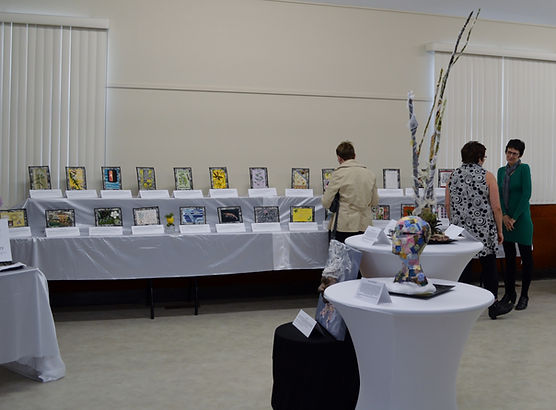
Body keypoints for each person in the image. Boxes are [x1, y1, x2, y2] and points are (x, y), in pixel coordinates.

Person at [445, 141, 513, 319]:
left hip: (460, 231)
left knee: (464, 267)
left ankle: (463, 306)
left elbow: (447, 204)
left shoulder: (452, 176)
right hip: (484, 230)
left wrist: (454, 224)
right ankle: (493, 305)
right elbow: (496, 207)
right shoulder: (487, 176)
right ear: (479, 158)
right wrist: (499, 230)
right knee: (489, 266)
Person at [497, 139, 533, 311]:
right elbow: (499, 194)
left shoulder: (524, 169)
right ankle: (509, 293)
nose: (511, 156)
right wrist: (504, 216)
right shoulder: (501, 171)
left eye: (515, 154)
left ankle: (524, 295)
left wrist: (514, 218)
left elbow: (526, 194)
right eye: (509, 152)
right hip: (506, 220)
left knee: (526, 258)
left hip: (521, 219)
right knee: (509, 259)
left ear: (520, 155)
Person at [322, 141, 378, 243]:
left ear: (339, 158)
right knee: (362, 253)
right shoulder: (370, 174)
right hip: (364, 225)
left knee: (341, 253)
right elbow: (375, 202)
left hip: (344, 225)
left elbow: (326, 202)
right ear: (354, 156)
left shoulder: (338, 174)